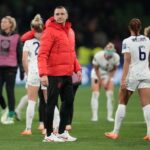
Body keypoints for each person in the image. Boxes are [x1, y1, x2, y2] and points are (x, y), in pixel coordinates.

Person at [38, 6, 82, 142]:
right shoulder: (49, 31)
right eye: (57, 14)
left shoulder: (69, 31)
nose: (60, 16)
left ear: (67, 15)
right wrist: (43, 74)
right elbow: (42, 54)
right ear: (54, 16)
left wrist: (77, 68)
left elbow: (71, 52)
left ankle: (62, 132)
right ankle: (49, 135)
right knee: (51, 103)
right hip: (53, 74)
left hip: (67, 73)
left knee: (69, 101)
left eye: (62, 14)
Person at [105, 18, 150, 140]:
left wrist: (123, 79)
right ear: (140, 28)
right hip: (146, 74)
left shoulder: (127, 41)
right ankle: (149, 133)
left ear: (129, 28)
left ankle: (115, 132)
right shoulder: (147, 40)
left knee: (122, 102)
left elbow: (127, 60)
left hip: (133, 75)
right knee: (146, 105)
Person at [20, 14, 46, 135]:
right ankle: (49, 128)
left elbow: (24, 60)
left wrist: (27, 73)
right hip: (46, 71)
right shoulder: (48, 40)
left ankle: (28, 129)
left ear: (32, 28)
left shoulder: (27, 41)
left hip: (33, 71)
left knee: (31, 101)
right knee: (48, 101)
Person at [0, 16, 24, 124]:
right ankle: (5, 108)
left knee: (10, 91)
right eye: (2, 22)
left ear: (11, 24)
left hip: (11, 68)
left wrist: (22, 70)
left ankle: (10, 115)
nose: (2, 23)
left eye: (5, 22)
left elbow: (20, 54)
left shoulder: (17, 37)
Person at [91, 42, 120, 122]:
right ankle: (94, 116)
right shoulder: (98, 56)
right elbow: (96, 69)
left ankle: (109, 117)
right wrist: (101, 80)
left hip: (108, 74)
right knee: (95, 94)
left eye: (111, 53)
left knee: (110, 95)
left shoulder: (116, 57)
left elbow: (114, 69)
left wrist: (108, 80)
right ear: (105, 50)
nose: (109, 55)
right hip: (97, 75)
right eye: (108, 52)